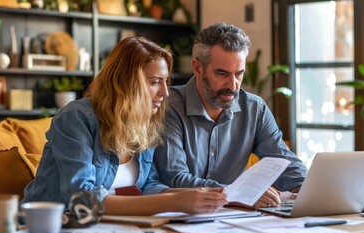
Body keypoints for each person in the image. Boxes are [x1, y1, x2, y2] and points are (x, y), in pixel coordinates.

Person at [22, 36, 228, 215]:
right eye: (155, 82)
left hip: (110, 228)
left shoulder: (145, 124)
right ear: (126, 83)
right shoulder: (77, 118)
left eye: (166, 81)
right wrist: (172, 201)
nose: (165, 93)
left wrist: (196, 195)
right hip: (53, 227)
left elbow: (148, 185)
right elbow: (82, 198)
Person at [153, 22, 307, 208]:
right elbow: (176, 179)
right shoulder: (168, 107)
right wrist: (236, 194)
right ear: (197, 68)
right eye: (222, 73)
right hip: (179, 218)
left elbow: (283, 161)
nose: (233, 85)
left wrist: (308, 187)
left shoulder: (254, 109)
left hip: (233, 222)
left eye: (239, 74)